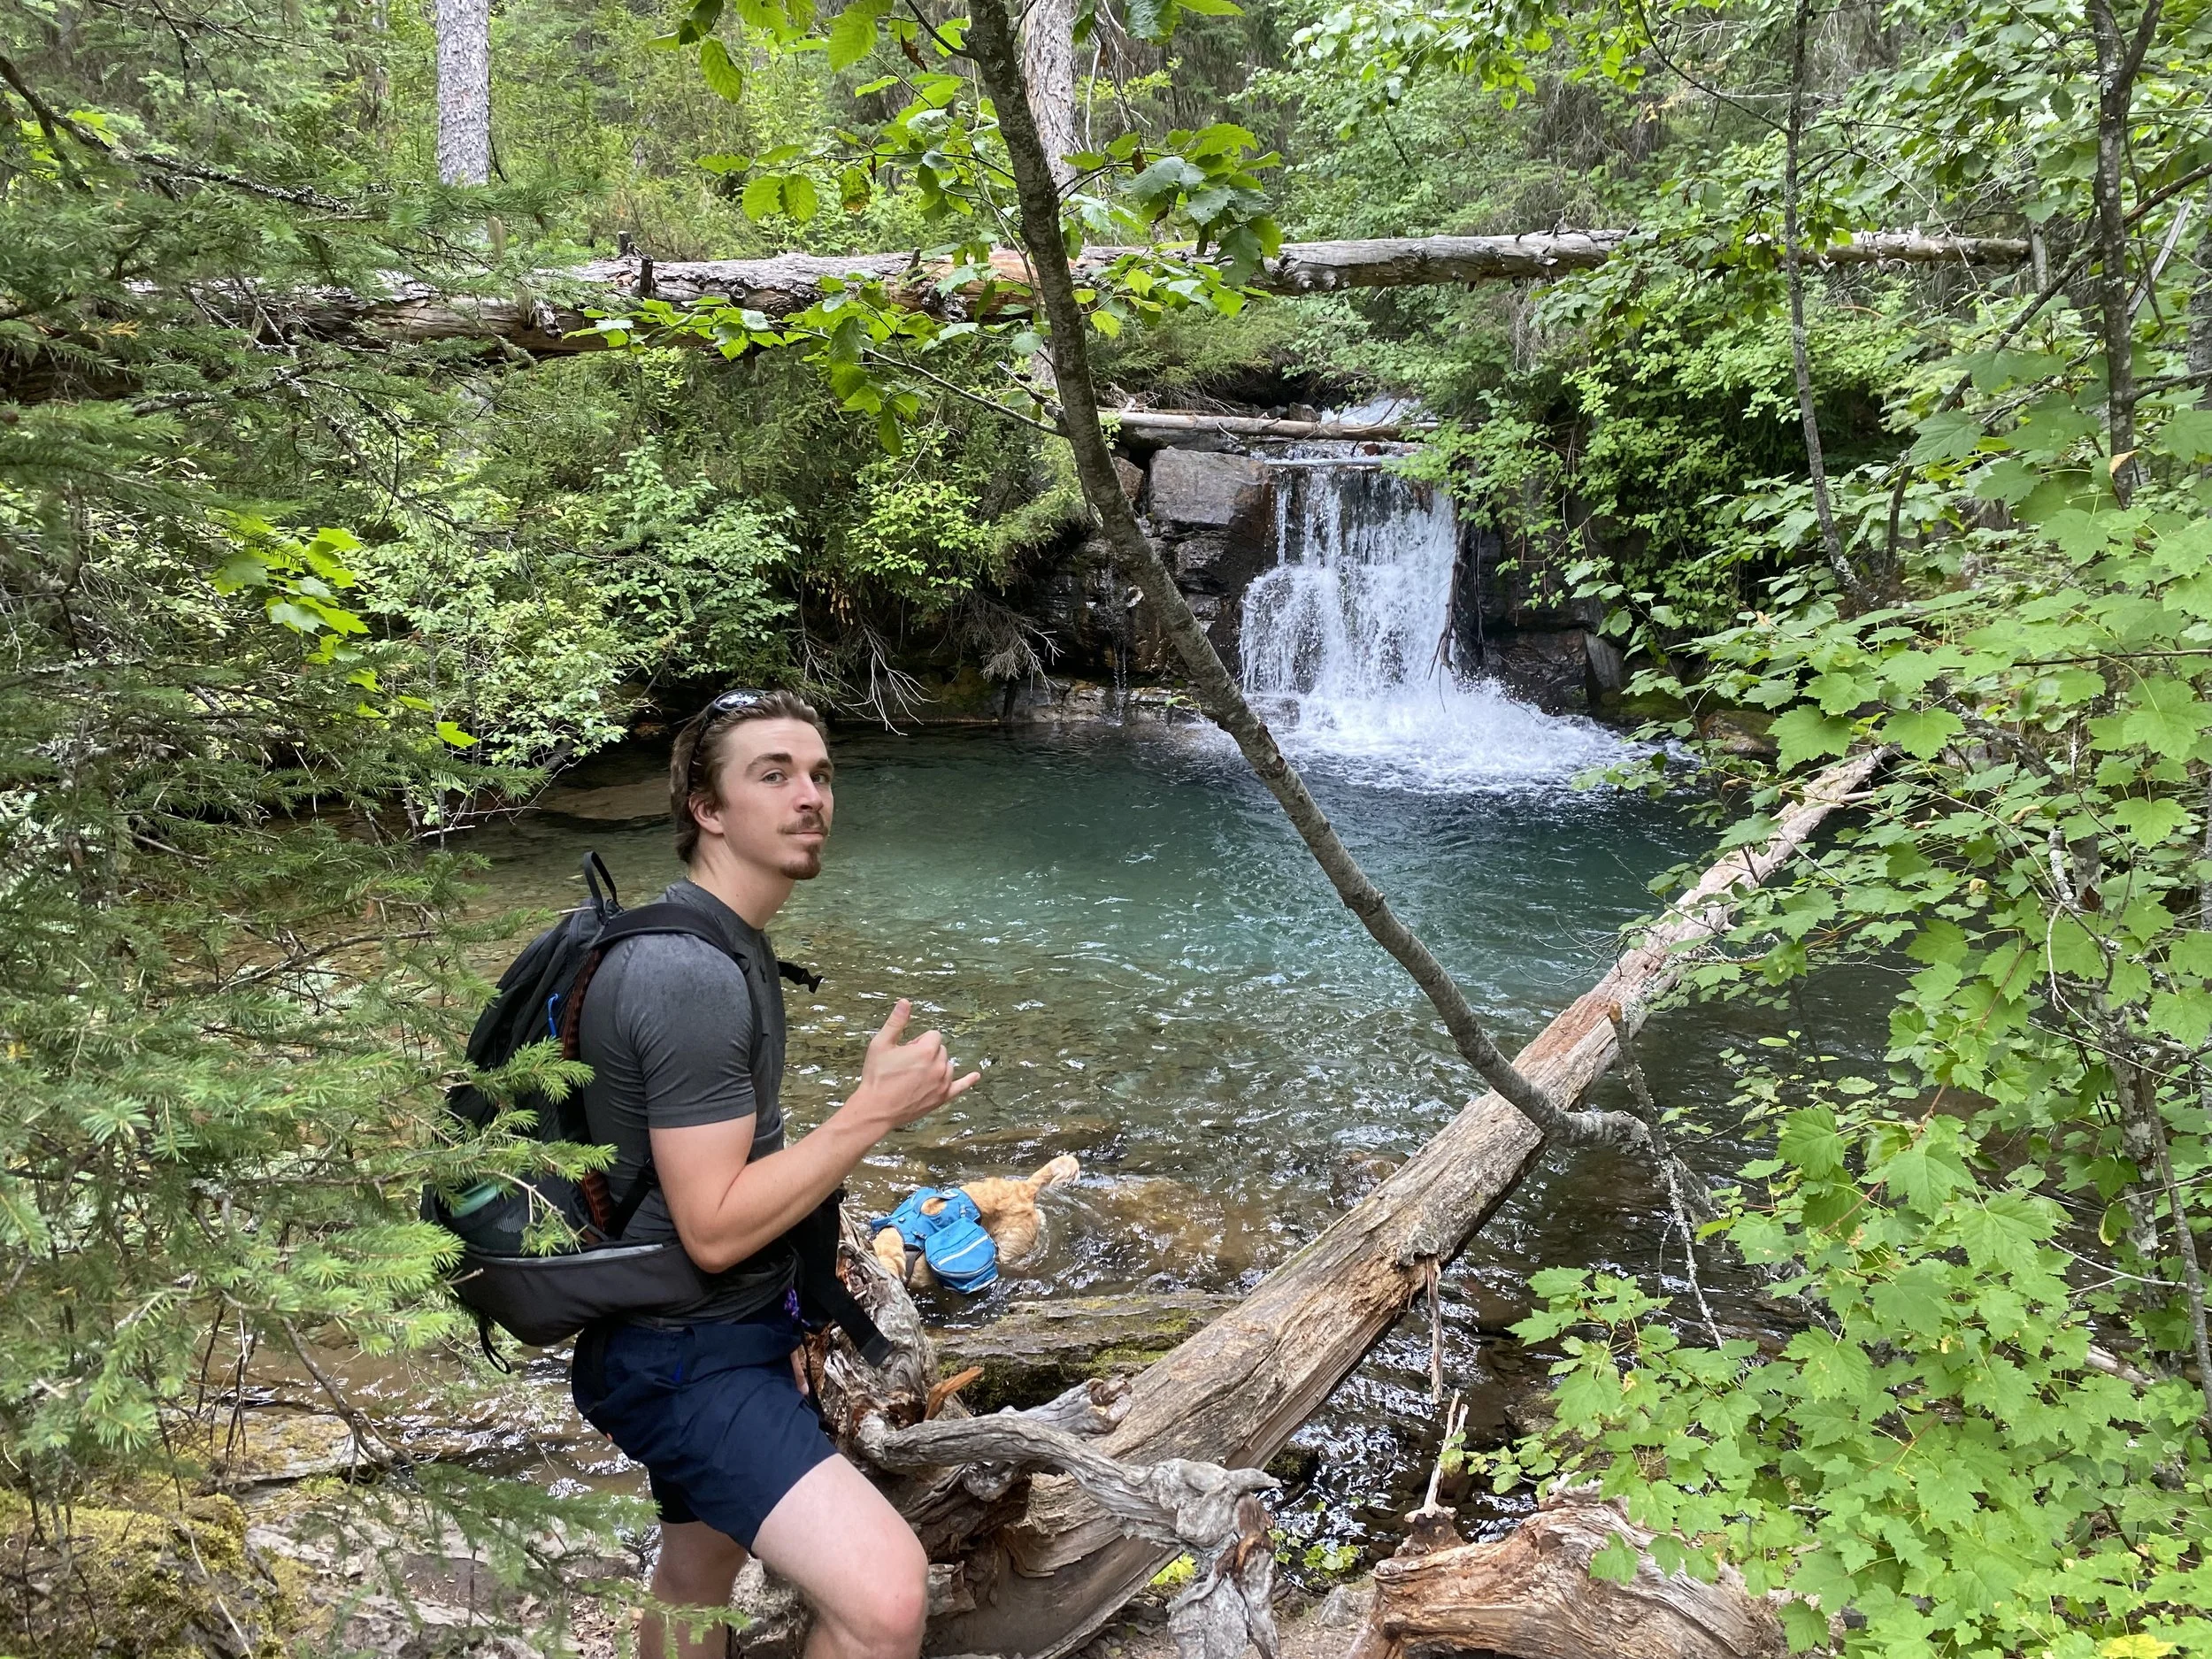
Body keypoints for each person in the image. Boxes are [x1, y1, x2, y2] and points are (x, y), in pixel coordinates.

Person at [569, 688, 979, 1659]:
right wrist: (869, 1113)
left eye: (821, 774)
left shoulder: (723, 943)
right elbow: (711, 1223)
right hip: (679, 1354)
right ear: (707, 811)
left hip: (703, 1329)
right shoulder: (690, 974)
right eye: (774, 775)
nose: (811, 796)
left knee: (695, 1578)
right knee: (883, 1600)